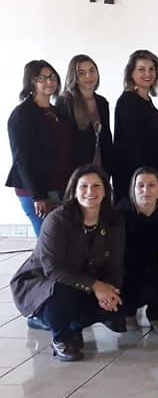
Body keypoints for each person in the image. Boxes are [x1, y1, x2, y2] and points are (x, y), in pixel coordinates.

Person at [10, 165, 125, 362]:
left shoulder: (114, 220)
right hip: (45, 282)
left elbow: (116, 263)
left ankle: (72, 325)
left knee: (121, 303)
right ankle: (60, 339)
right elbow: (53, 269)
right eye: (84, 186)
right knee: (64, 290)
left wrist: (111, 291)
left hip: (83, 278)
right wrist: (96, 286)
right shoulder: (58, 220)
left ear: (106, 190)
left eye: (96, 186)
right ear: (74, 191)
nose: (90, 191)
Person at [6, 60, 72, 236]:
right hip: (35, 190)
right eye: (41, 78)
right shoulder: (22, 114)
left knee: (60, 238)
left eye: (52, 77)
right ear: (31, 82)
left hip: (58, 186)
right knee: (48, 239)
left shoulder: (57, 112)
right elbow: (21, 158)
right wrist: (38, 195)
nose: (49, 81)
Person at [119, 166, 158, 333]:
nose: (145, 190)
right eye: (140, 185)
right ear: (133, 189)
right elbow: (121, 255)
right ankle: (128, 312)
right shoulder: (120, 215)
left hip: (153, 272)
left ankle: (155, 313)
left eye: (151, 185)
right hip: (127, 273)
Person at [112, 49, 158, 203]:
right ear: (131, 73)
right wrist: (147, 183)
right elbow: (133, 147)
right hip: (135, 180)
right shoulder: (128, 102)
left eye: (151, 69)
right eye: (141, 69)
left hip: (149, 176)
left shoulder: (147, 100)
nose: (147, 74)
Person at [56, 54, 114, 175]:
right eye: (81, 73)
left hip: (101, 169)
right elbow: (63, 143)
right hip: (75, 171)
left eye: (92, 71)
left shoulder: (102, 102)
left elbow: (106, 138)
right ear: (74, 77)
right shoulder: (65, 102)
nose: (88, 76)